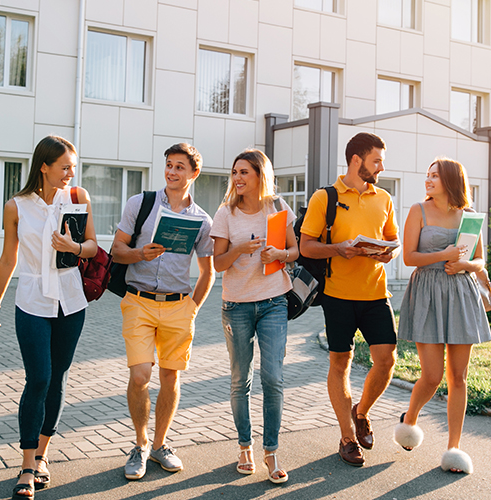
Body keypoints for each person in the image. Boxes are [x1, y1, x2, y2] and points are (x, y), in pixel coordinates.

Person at [0, 136, 98, 499]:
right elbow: (8, 258)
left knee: (58, 378)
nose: (71, 173)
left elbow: (94, 246)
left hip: (71, 300)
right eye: (65, 166)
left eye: (73, 166)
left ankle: (42, 457)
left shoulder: (78, 197)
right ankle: (24, 464)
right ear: (44, 166)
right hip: (32, 300)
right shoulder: (16, 206)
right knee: (39, 378)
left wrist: (75, 247)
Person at [112, 143, 215, 481]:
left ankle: (159, 445)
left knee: (171, 377)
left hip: (178, 306)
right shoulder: (140, 204)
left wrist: (193, 309)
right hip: (138, 301)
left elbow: (208, 271)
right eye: (169, 165)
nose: (172, 172)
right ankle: (140, 445)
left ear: (193, 173)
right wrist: (140, 254)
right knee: (140, 375)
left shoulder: (202, 220)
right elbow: (116, 251)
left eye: (179, 167)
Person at [300, 132, 400, 467]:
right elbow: (306, 246)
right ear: (357, 160)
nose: (381, 167)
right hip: (337, 296)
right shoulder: (324, 198)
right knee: (340, 363)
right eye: (377, 160)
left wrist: (387, 253)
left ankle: (362, 412)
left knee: (386, 360)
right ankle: (346, 437)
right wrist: (338, 249)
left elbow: (391, 238)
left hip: (376, 293)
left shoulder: (384, 198)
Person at [394, 158, 491, 474]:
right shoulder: (417, 211)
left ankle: (454, 448)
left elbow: (480, 260)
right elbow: (409, 257)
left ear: (450, 181)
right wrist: (446, 255)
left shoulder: (469, 217)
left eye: (435, 176)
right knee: (433, 375)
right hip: (428, 293)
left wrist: (465, 265)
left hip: (461, 295)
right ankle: (410, 420)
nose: (428, 180)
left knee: (459, 377)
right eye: (427, 175)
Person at [210, 149, 298, 484]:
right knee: (240, 380)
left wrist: (280, 254)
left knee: (273, 377)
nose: (237, 178)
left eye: (244, 172)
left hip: (274, 301)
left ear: (260, 175)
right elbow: (217, 263)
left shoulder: (277, 208)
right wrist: (239, 250)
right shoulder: (225, 213)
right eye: (234, 172)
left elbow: (295, 250)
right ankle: (245, 445)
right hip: (237, 305)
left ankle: (271, 450)